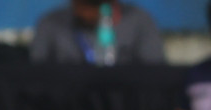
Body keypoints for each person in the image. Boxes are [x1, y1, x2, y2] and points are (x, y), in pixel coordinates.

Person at [32, 1, 164, 65]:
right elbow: (36, 75)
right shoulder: (51, 23)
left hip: (125, 107)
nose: (91, 13)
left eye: (98, 4)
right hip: (67, 107)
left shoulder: (138, 20)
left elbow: (155, 72)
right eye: (85, 4)